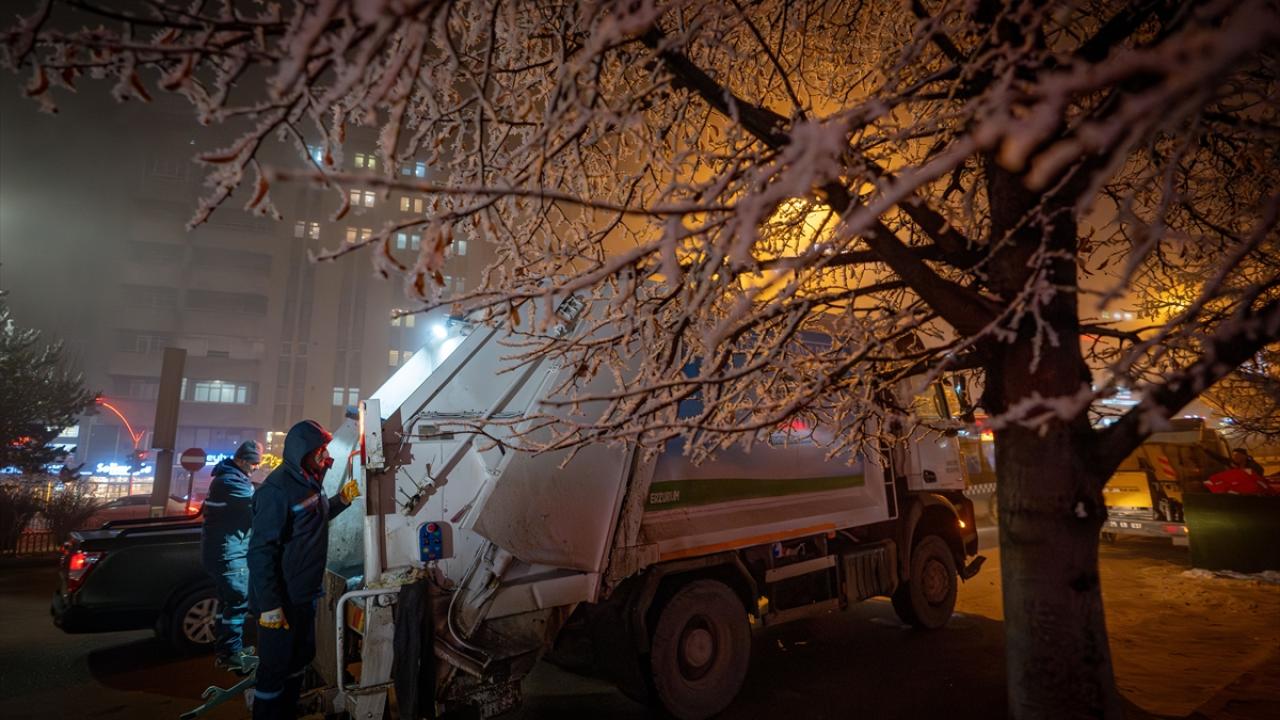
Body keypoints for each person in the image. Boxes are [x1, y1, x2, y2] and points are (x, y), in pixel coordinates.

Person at [247, 420, 359, 720]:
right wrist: (270, 606)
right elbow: (260, 552)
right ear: (302, 452)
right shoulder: (277, 490)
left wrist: (342, 500)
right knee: (275, 670)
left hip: (304, 595)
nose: (326, 455)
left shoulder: (309, 481)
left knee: (298, 661)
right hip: (281, 602)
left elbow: (313, 518)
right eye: (320, 450)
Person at [200, 439, 262, 673]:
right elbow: (256, 506)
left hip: (223, 551)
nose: (256, 467)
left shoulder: (229, 478)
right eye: (253, 463)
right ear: (241, 460)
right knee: (237, 601)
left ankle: (226, 649)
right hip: (229, 553)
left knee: (228, 603)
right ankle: (231, 653)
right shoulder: (230, 482)